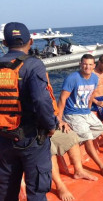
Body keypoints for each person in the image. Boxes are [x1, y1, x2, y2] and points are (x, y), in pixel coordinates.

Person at [0, 22, 59, 200]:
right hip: (31, 139)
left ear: (4, 43)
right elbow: (41, 100)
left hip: (3, 139)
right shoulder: (33, 65)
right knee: (37, 190)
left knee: (5, 190)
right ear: (31, 42)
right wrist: (50, 125)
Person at [50, 129, 98, 201]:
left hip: (48, 129)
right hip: (34, 134)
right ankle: (59, 186)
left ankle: (79, 171)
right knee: (48, 148)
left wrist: (60, 120)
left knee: (71, 136)